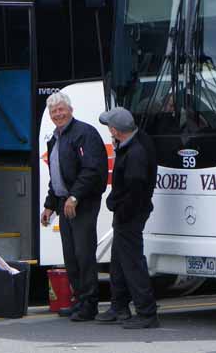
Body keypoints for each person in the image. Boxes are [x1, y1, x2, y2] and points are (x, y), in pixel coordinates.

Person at [40, 92, 108, 322]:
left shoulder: (85, 133)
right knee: (70, 255)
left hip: (83, 203)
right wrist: (50, 205)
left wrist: (75, 196)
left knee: (84, 253)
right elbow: (56, 177)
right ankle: (79, 300)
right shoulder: (55, 139)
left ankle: (89, 303)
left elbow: (92, 170)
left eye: (61, 109)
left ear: (70, 110)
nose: (58, 114)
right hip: (64, 203)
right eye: (53, 111)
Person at [96, 106, 159, 329]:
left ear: (116, 129)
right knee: (119, 261)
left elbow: (135, 189)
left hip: (130, 214)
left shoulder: (135, 152)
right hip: (129, 212)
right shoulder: (135, 142)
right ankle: (119, 306)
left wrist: (120, 210)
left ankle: (146, 313)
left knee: (132, 262)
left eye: (110, 129)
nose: (109, 132)